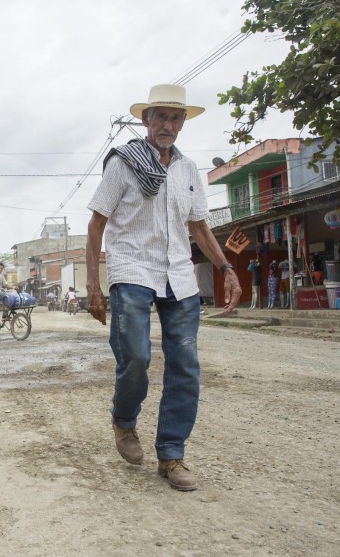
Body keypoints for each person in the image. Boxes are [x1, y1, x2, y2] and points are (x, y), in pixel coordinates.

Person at [85, 84, 242, 491]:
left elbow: (199, 226)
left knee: (185, 365)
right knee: (136, 356)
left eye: (175, 118)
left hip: (179, 274)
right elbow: (96, 225)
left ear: (183, 123)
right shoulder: (124, 164)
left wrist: (226, 267)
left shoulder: (189, 170)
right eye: (160, 117)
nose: (167, 125)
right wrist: (93, 285)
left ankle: (171, 455)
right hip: (132, 269)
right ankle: (124, 421)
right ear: (146, 121)